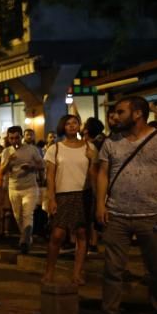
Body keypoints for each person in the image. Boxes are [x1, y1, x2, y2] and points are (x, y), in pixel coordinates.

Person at [95, 96, 157, 314]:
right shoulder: (111, 142)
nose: (115, 117)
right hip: (116, 214)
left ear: (137, 114)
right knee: (113, 269)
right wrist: (100, 205)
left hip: (153, 215)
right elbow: (102, 173)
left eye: (121, 112)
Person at [43, 115, 97, 286]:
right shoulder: (55, 148)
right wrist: (51, 198)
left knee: (82, 234)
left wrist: (93, 159)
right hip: (63, 194)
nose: (72, 126)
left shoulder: (90, 147)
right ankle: (49, 272)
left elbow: (96, 175)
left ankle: (77, 273)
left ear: (79, 126)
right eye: (68, 123)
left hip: (84, 194)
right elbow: (50, 176)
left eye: (75, 123)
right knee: (57, 235)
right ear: (63, 127)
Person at [0, 125, 44, 254]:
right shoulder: (7, 152)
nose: (14, 141)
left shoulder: (32, 150)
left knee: (27, 213)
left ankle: (24, 241)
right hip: (14, 188)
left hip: (30, 187)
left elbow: (42, 164)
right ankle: (26, 237)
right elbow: (2, 171)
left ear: (21, 137)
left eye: (17, 138)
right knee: (18, 216)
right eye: (11, 138)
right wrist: (8, 162)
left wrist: (31, 166)